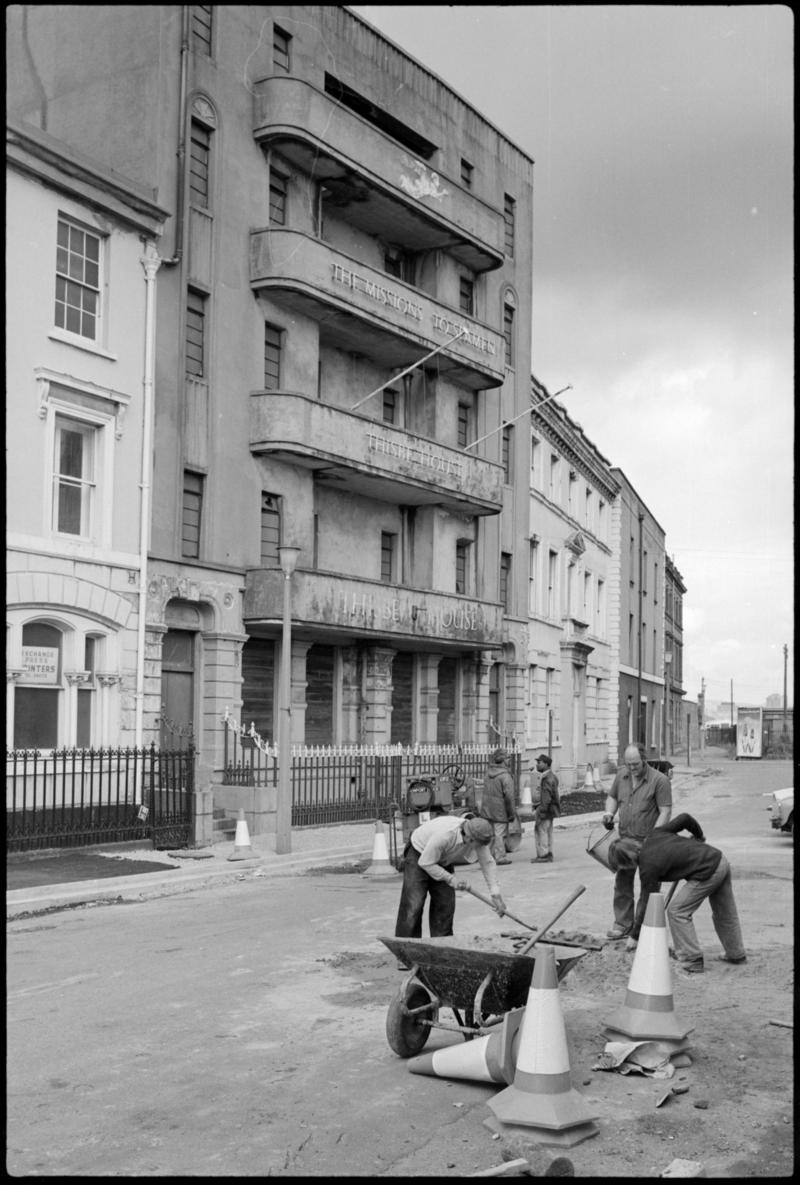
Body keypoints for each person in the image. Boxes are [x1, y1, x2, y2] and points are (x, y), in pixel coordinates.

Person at [607, 813, 746, 974]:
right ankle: (736, 954)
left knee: (677, 911)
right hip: (719, 858)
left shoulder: (648, 868)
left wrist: (635, 936)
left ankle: (691, 959)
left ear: (627, 861)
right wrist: (698, 836)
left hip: (709, 871)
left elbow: (647, 902)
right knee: (724, 912)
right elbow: (685, 818)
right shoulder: (655, 834)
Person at [395, 814, 507, 940]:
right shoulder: (445, 835)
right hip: (419, 853)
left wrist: (495, 894)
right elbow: (425, 862)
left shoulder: (476, 835)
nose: (479, 848)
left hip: (443, 859)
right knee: (413, 905)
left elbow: (487, 863)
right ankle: (406, 945)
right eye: (478, 845)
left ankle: (442, 946)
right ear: (470, 839)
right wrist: (451, 879)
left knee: (445, 905)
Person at [602, 741, 672, 940]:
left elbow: (665, 811)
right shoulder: (622, 775)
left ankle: (643, 928)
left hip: (649, 842)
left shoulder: (659, 781)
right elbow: (612, 797)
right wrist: (609, 812)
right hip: (626, 840)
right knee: (622, 882)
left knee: (649, 887)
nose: (632, 768)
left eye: (636, 764)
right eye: (628, 764)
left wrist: (655, 838)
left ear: (644, 760)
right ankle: (623, 924)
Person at [479, 749, 519, 865]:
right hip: (500, 811)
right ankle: (500, 857)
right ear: (502, 760)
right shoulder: (505, 776)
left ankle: (489, 856)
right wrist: (511, 813)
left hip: (487, 809)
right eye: (507, 758)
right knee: (499, 834)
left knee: (490, 834)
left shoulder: (487, 773)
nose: (509, 761)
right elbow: (509, 797)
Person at [531, 753, 560, 862]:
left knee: (541, 830)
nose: (537, 765)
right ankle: (549, 853)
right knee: (548, 831)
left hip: (546, 809)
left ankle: (543, 855)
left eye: (539, 763)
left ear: (546, 764)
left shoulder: (547, 778)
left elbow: (546, 798)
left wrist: (541, 811)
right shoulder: (551, 776)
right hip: (550, 809)